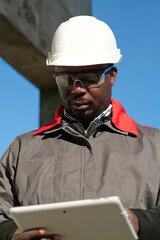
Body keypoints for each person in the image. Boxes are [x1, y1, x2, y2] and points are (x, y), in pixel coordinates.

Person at [0, 15, 160, 240]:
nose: (77, 89)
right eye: (65, 79)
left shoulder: (155, 147)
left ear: (112, 76)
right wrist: (11, 234)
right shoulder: (21, 151)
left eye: (88, 77)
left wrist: (141, 223)